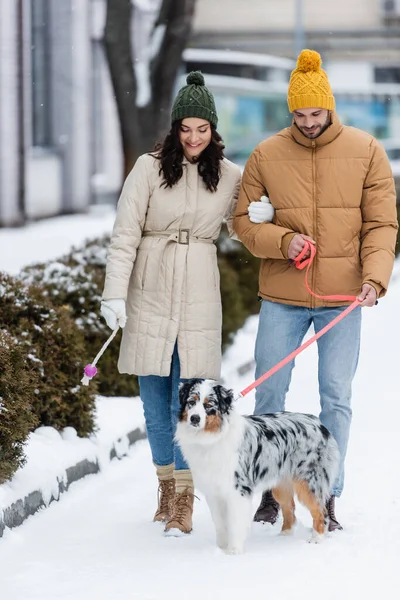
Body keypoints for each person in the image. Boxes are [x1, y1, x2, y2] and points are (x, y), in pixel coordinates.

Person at [233, 49, 398, 531]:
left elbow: (382, 223)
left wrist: (375, 278)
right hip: (283, 296)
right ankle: (268, 491)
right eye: (299, 114)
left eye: (316, 113)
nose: (308, 122)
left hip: (342, 301)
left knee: (336, 396)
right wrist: (284, 241)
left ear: (330, 107)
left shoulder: (366, 150)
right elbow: (243, 222)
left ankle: (327, 494)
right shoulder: (266, 154)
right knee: (270, 394)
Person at [100, 71, 243, 536]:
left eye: (203, 129)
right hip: (151, 286)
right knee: (155, 397)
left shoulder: (229, 176)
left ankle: (185, 496)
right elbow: (125, 235)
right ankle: (165, 485)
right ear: (175, 127)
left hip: (199, 289)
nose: (194, 137)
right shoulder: (148, 167)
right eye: (187, 128)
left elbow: (243, 231)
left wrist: (259, 215)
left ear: (213, 130)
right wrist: (114, 294)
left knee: (191, 398)